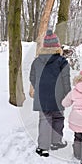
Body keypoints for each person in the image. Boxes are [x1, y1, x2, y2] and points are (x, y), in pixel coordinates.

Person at [29, 29, 71, 157]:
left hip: (42, 96)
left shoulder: (37, 61)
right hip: (58, 96)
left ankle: (43, 147)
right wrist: (68, 94)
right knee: (58, 118)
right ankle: (56, 142)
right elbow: (66, 80)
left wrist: (39, 87)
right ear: (57, 45)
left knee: (45, 119)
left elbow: (32, 77)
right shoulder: (62, 62)